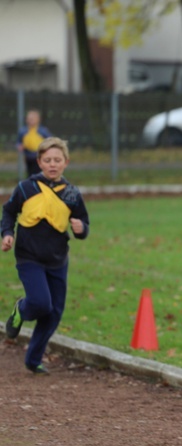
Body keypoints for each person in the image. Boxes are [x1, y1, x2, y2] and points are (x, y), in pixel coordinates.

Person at [2, 137, 90, 374]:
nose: (53, 164)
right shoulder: (26, 188)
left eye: (57, 160)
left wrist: (81, 228)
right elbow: (9, 211)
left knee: (53, 313)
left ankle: (33, 360)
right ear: (39, 162)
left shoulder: (71, 193)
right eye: (48, 160)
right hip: (29, 255)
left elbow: (83, 221)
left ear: (66, 163)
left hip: (57, 258)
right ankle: (21, 309)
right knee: (41, 302)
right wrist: (7, 233)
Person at [16, 109, 52, 178]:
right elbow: (18, 142)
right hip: (28, 156)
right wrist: (19, 146)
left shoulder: (42, 131)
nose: (30, 121)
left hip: (39, 156)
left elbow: (50, 139)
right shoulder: (23, 131)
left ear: (38, 120)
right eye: (28, 119)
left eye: (32, 119)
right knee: (30, 172)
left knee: (39, 172)